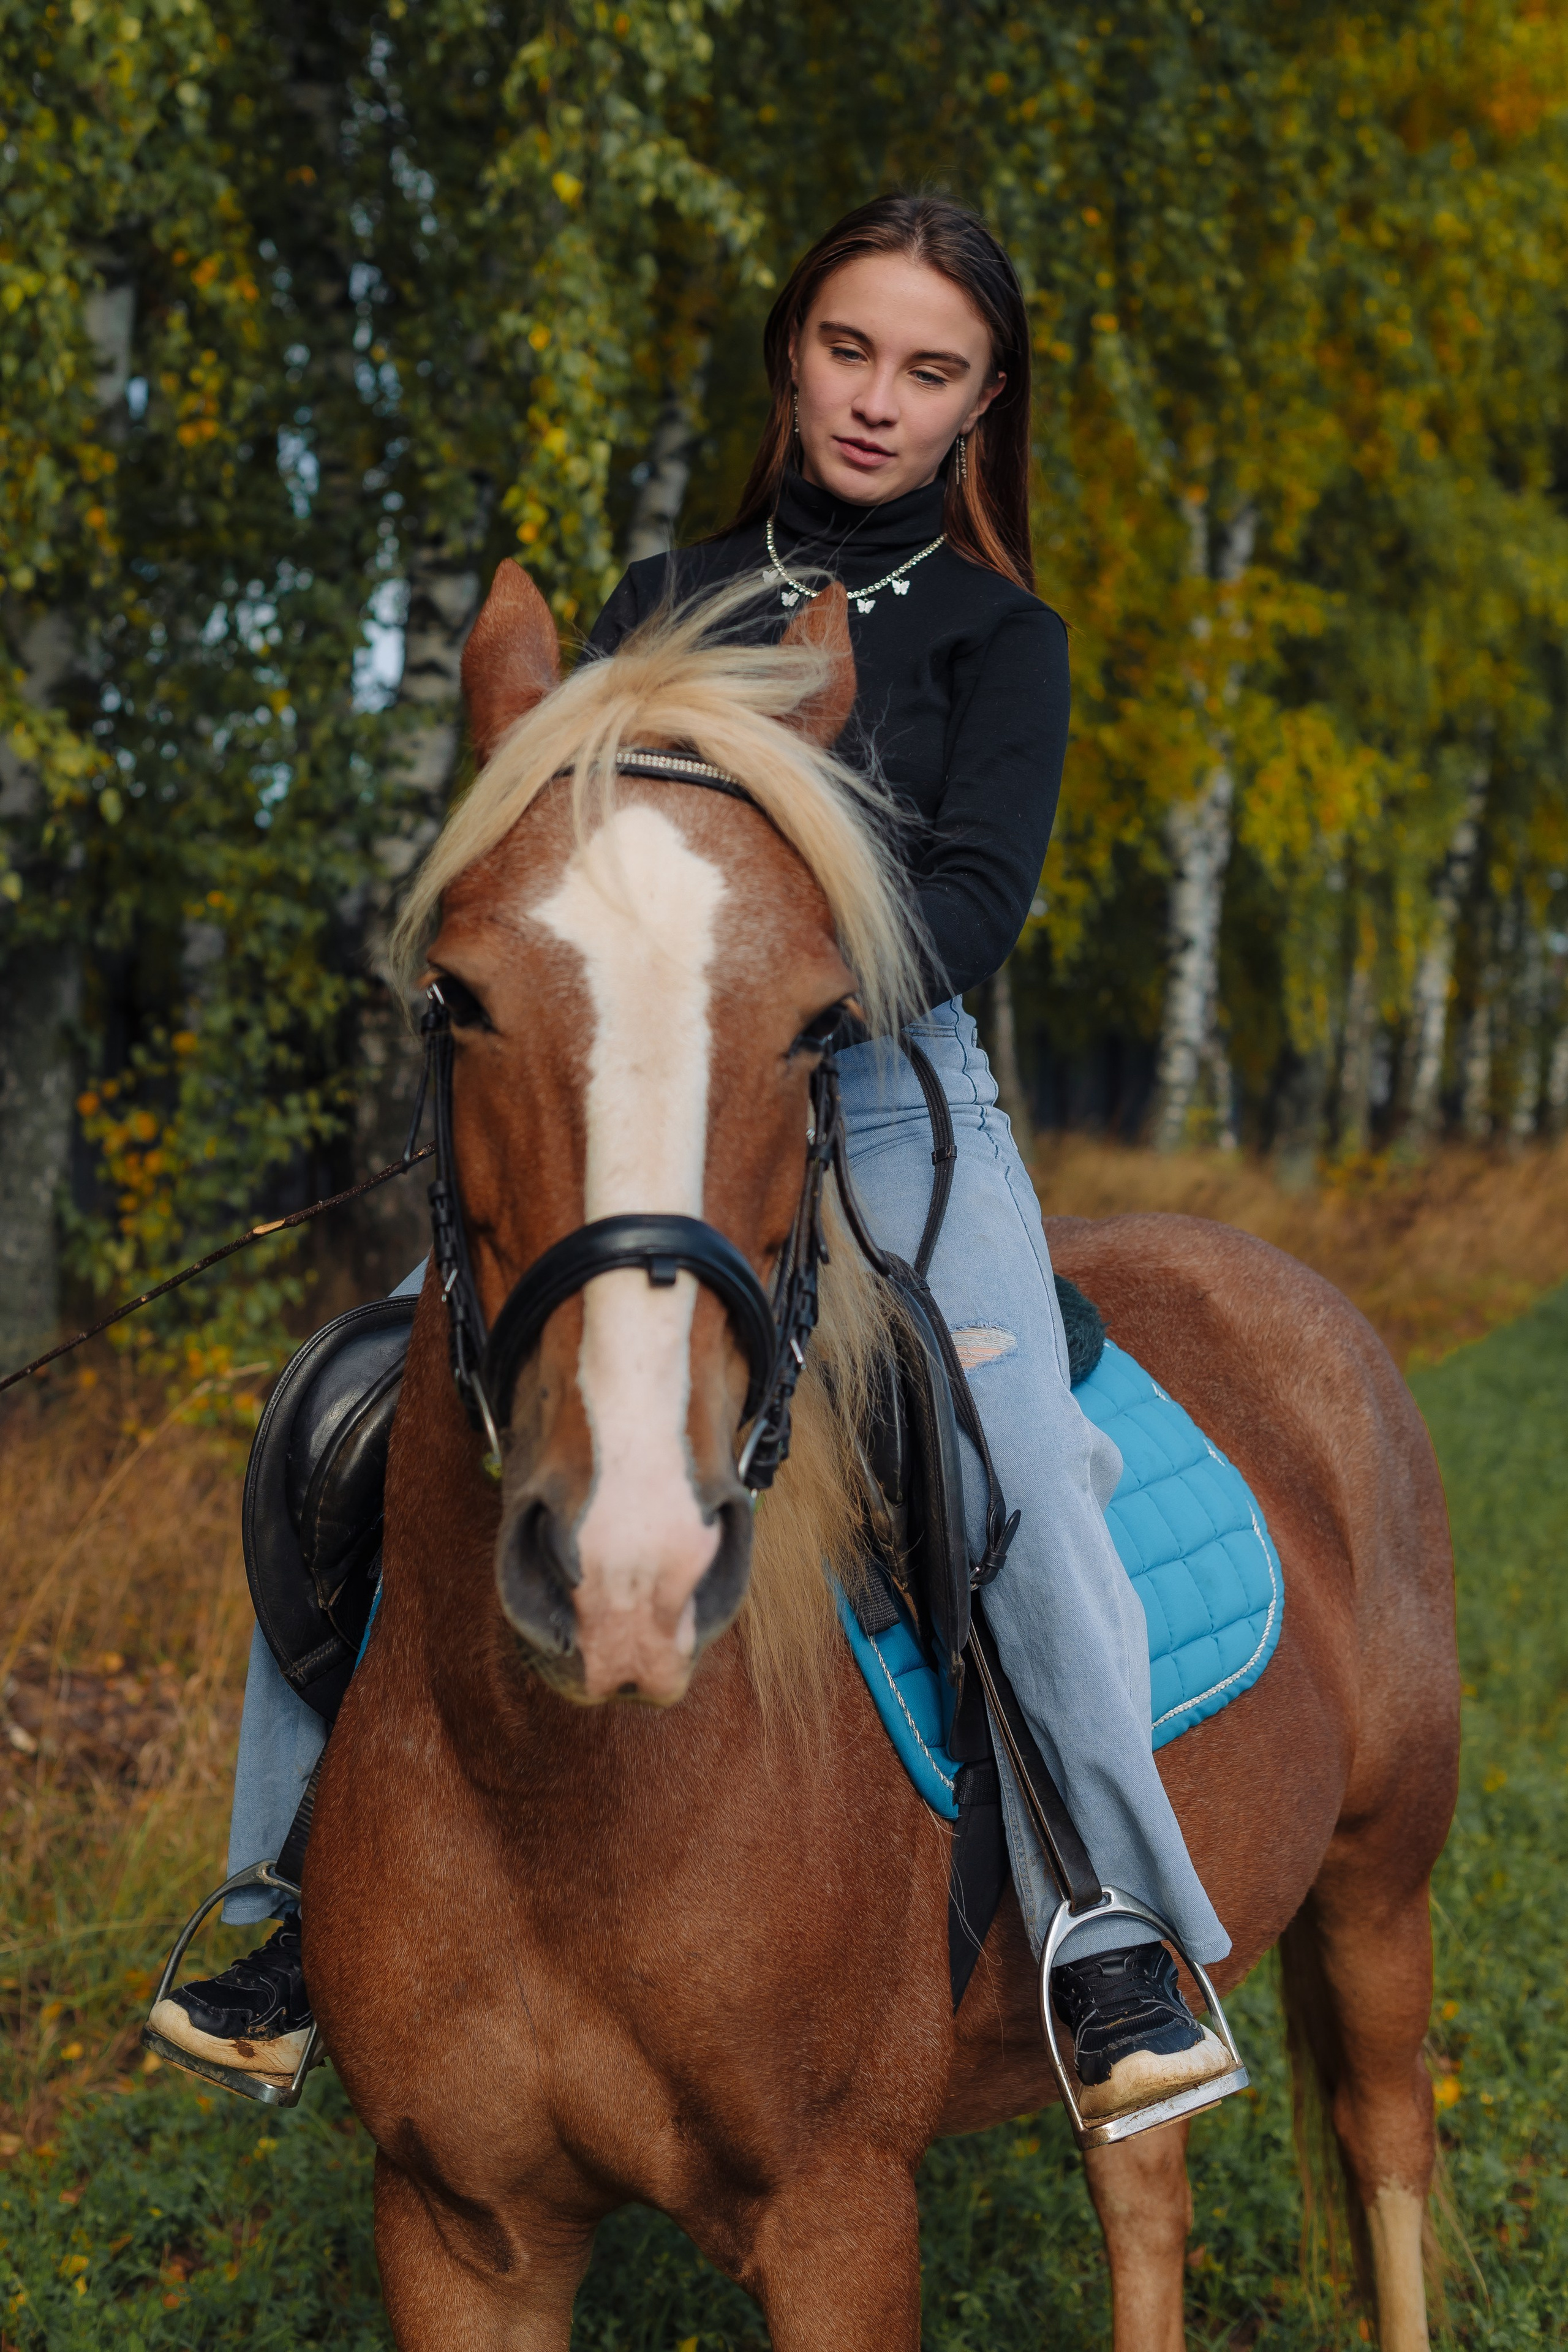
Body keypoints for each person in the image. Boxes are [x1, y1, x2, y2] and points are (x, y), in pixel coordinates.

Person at [154, 194, 1232, 2123]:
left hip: (890, 1091)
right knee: (351, 1412)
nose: (877, 401)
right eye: (848, 351)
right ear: (788, 354)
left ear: (985, 405)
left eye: (930, 371)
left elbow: (975, 905)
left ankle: (1110, 1923)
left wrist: (779, 957)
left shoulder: (1003, 635)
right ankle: (282, 1890)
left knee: (1012, 1458)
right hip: (630, 1092)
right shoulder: (673, 588)